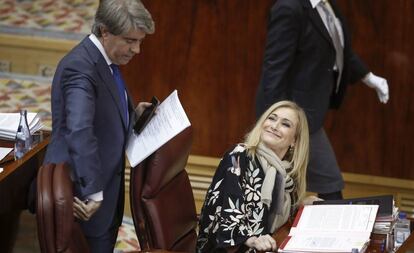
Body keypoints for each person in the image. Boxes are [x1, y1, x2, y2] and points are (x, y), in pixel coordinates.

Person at [43, 0, 155, 252]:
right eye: (130, 40)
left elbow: (102, 114)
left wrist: (131, 115)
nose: (136, 50)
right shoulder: (80, 68)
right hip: (83, 197)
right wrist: (92, 192)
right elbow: (80, 130)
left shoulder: (105, 60)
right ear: (105, 31)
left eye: (140, 41)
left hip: (107, 189)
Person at [256, 0, 389, 200]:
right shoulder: (289, 8)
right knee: (328, 185)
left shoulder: (327, 6)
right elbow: (274, 69)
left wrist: (369, 77)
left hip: (309, 113)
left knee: (293, 187)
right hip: (294, 116)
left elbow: (340, 50)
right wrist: (276, 121)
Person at [196, 101, 320, 252]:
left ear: (294, 140)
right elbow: (227, 213)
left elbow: (276, 217)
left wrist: (301, 205)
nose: (274, 126)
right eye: (272, 118)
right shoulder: (238, 157)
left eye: (285, 124)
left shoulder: (286, 176)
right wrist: (252, 239)